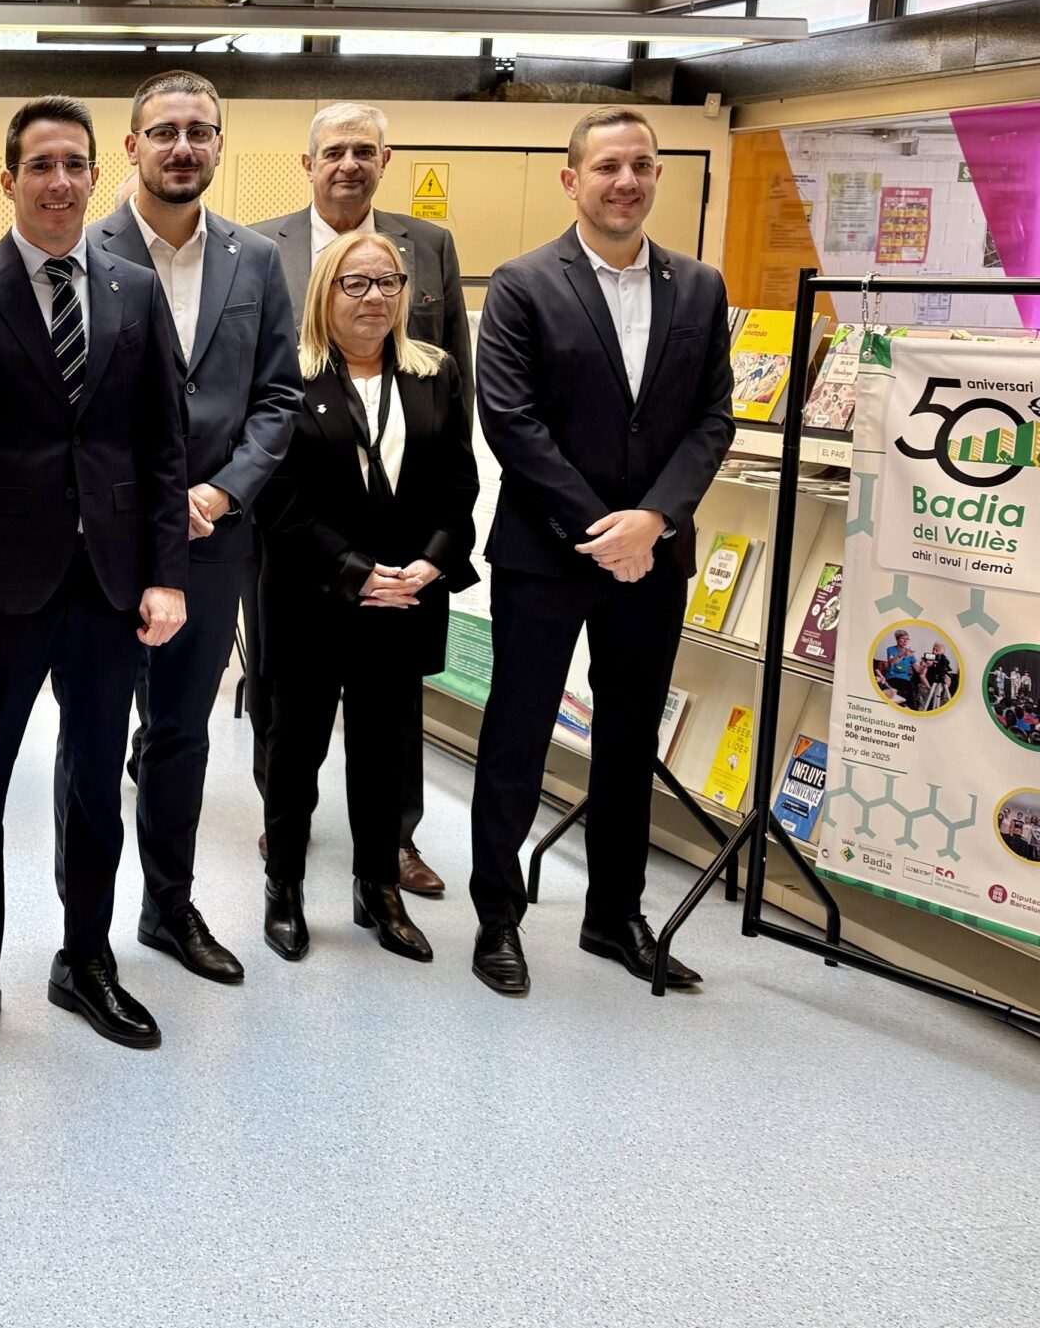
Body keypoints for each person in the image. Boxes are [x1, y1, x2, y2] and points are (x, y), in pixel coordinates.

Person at [0, 96, 192, 1058]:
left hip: (109, 587)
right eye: (40, 165)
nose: (60, 181)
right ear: (9, 179)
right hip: (0, 593)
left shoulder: (134, 290)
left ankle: (86, 960)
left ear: (95, 174)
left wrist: (167, 572)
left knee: (93, 789)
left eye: (75, 163)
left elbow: (163, 445)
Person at [468, 106, 734, 996]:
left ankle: (614, 915)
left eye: (642, 165)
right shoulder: (522, 284)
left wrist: (652, 520)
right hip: (546, 553)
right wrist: (603, 530)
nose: (626, 181)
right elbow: (511, 420)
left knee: (629, 737)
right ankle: (498, 917)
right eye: (608, 166)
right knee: (517, 734)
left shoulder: (699, 287)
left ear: (658, 175)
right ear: (571, 178)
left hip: (652, 559)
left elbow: (713, 419)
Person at [89, 69, 300, 987]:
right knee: (95, 734)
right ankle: (82, 931)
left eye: (200, 131)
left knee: (180, 730)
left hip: (213, 539)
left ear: (219, 145)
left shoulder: (255, 261)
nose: (183, 146)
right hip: (104, 539)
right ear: (131, 145)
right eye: (165, 130)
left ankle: (168, 907)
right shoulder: (82, 248)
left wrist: (218, 493)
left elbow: (279, 397)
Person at [241, 101, 472, 899]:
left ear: (385, 160)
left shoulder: (428, 246)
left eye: (364, 150)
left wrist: (430, 555)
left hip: (403, 551)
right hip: (294, 537)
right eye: (334, 150)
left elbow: (453, 400)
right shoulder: (258, 248)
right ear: (307, 162)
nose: (349, 163)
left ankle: (392, 846)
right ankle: (283, 833)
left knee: (389, 721)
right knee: (286, 706)